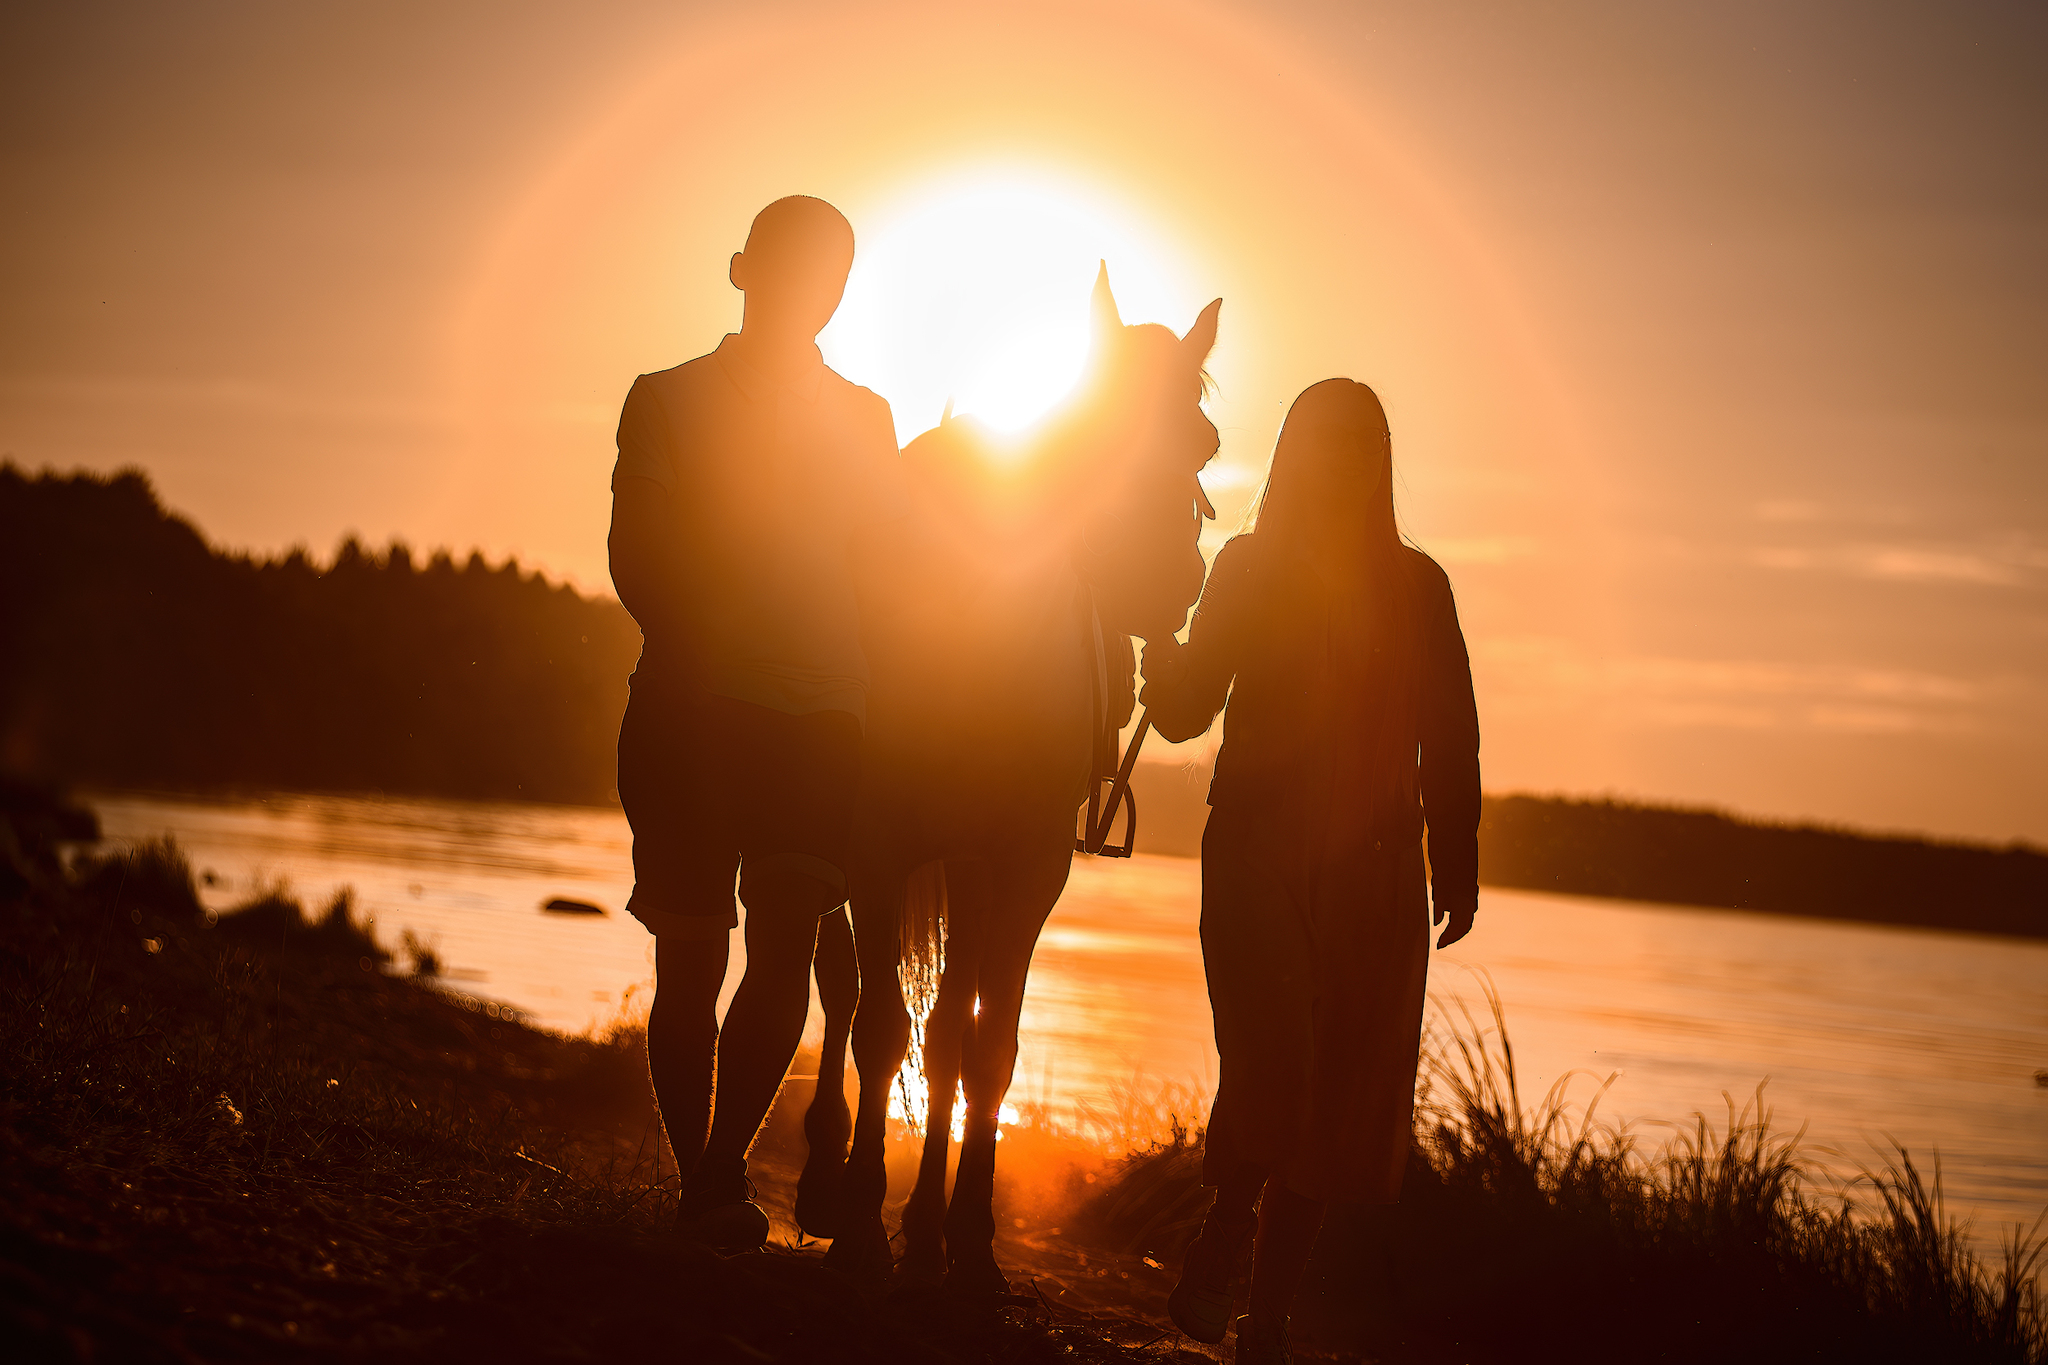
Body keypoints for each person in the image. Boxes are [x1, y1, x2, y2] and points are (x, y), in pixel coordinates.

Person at [1139, 379, 1480, 1363]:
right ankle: (1223, 1233)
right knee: (1275, 1067)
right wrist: (1159, 659)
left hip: (1377, 876)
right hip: (1255, 850)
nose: (1333, 463)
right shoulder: (1245, 569)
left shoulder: (1420, 590)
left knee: (1335, 1104)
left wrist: (1451, 856)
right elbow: (1184, 712)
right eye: (1319, 444)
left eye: (1351, 446)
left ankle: (1268, 1320)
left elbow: (1444, 735)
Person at [607, 195, 901, 1251]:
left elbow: (891, 570)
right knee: (690, 965)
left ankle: (719, 1170)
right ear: (742, 271)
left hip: (823, 719)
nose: (810, 291)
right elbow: (634, 558)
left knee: (786, 951)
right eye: (791, 268)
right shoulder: (667, 399)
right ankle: (706, 1180)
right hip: (691, 714)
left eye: (831, 275)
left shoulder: (867, 420)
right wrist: (710, 650)